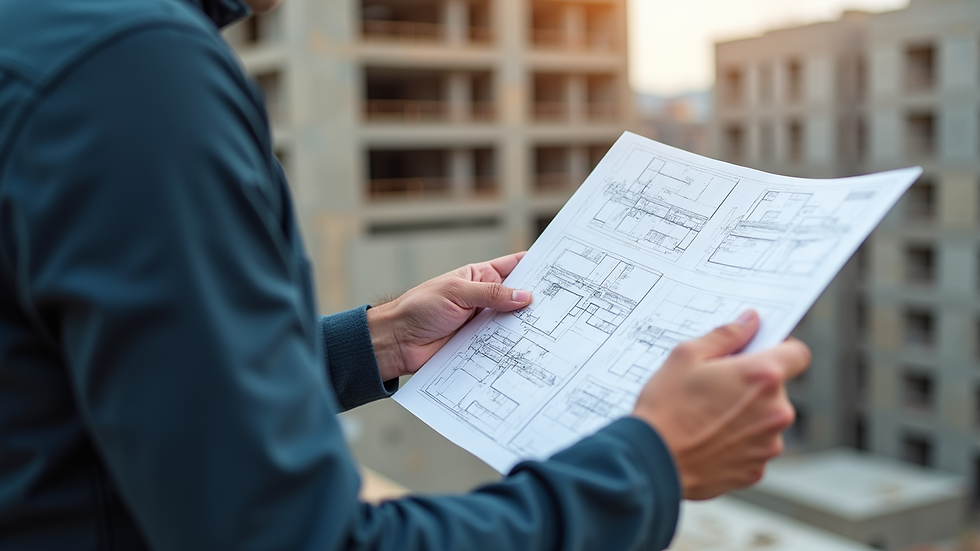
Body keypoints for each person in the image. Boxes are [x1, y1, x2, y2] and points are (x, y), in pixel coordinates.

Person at [0, 0, 811, 549]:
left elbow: (112, 394)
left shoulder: (54, 34)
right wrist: (652, 463)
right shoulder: (133, 70)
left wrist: (377, 340)